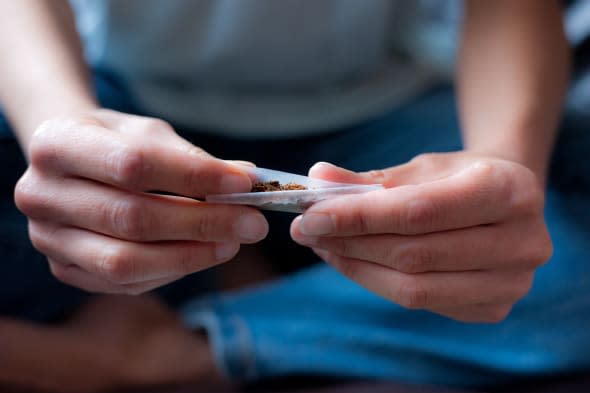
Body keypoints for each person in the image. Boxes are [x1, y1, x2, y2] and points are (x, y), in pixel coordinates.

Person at [2, 0, 589, 391]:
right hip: (115, 98)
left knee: (550, 268)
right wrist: (59, 126)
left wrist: (506, 171)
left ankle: (179, 347)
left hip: (385, 108)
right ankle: (262, 299)